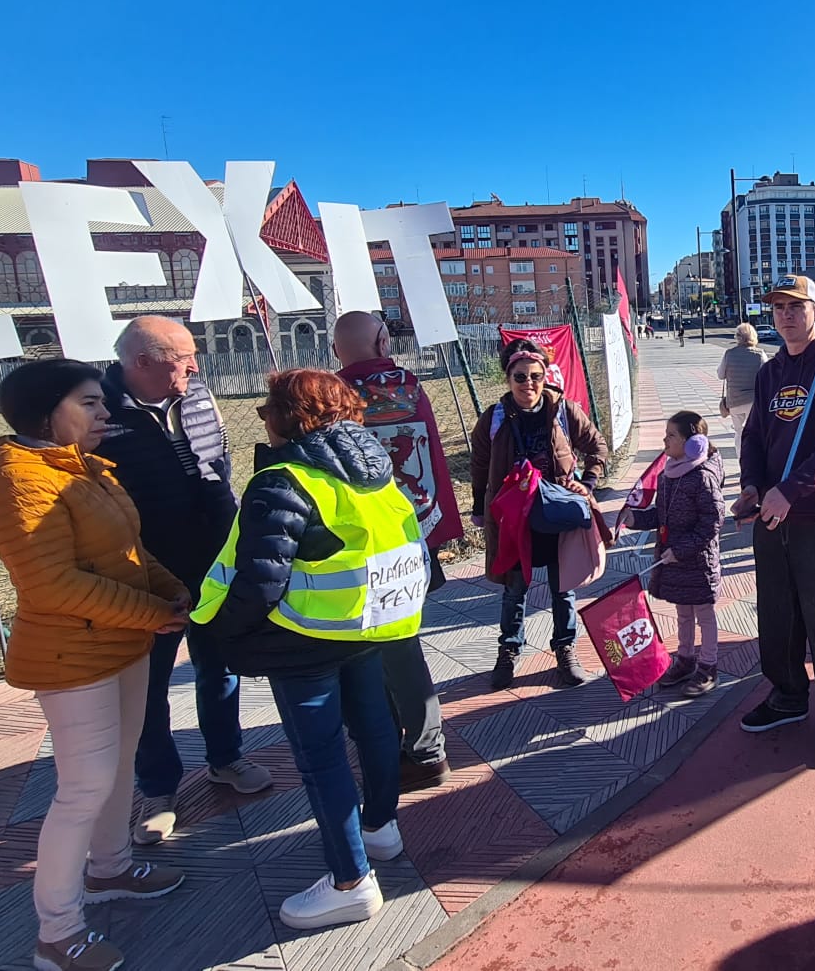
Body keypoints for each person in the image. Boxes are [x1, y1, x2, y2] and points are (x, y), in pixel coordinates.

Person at [191, 370, 429, 930]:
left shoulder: (283, 481)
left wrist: (223, 633)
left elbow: (260, 581)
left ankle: (350, 882)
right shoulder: (375, 472)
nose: (262, 419)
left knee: (321, 759)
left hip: (301, 642)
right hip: (364, 628)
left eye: (266, 409)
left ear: (288, 417)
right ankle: (381, 828)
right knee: (375, 729)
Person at [0, 359, 189, 971]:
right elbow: (51, 584)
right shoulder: (18, 481)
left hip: (122, 641)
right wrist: (151, 612)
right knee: (83, 788)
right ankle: (58, 933)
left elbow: (129, 550)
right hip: (73, 655)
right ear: (48, 413)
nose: (105, 412)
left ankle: (111, 869)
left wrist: (171, 590)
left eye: (102, 401)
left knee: (118, 765)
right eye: (90, 403)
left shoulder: (83, 467)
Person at [100, 315, 270, 847]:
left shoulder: (197, 395)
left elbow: (218, 465)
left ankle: (226, 758)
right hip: (144, 573)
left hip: (213, 560)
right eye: (183, 358)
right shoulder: (100, 411)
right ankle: (157, 789)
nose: (195, 367)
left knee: (219, 667)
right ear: (141, 363)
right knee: (148, 686)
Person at [734, 274, 815, 765]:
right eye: (778, 307)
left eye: (796, 306)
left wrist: (790, 490)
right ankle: (787, 695)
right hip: (772, 515)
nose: (786, 315)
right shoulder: (770, 372)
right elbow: (754, 436)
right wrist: (753, 485)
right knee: (778, 616)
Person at [333, 310, 458, 789]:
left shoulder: (333, 397)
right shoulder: (411, 386)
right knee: (400, 641)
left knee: (378, 648)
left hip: (362, 542)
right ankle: (417, 746)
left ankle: (415, 748)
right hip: (413, 534)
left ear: (337, 350)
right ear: (384, 341)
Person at [469, 339, 610, 689]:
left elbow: (597, 446)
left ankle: (565, 650)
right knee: (514, 590)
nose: (528, 384)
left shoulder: (563, 410)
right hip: (515, 520)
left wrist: (587, 483)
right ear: (508, 378)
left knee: (564, 589)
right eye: (520, 377)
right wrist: (479, 509)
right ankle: (508, 651)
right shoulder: (494, 418)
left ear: (545, 377)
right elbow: (479, 466)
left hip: (558, 515)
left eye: (536, 376)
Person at [650, 411, 726, 697]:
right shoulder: (667, 474)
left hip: (698, 561)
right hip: (674, 560)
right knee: (682, 612)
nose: (664, 440)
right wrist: (635, 518)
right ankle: (685, 659)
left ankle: (709, 666)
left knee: (704, 614)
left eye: (671, 435)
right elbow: (661, 515)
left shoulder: (703, 477)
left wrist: (680, 551)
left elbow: (712, 523)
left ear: (693, 443)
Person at [719, 323, 768, 434]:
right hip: (753, 399)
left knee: (739, 431)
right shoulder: (759, 354)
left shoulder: (729, 354)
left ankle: (740, 446)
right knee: (755, 431)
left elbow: (720, 375)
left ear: (737, 337)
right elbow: (767, 376)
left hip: (734, 400)